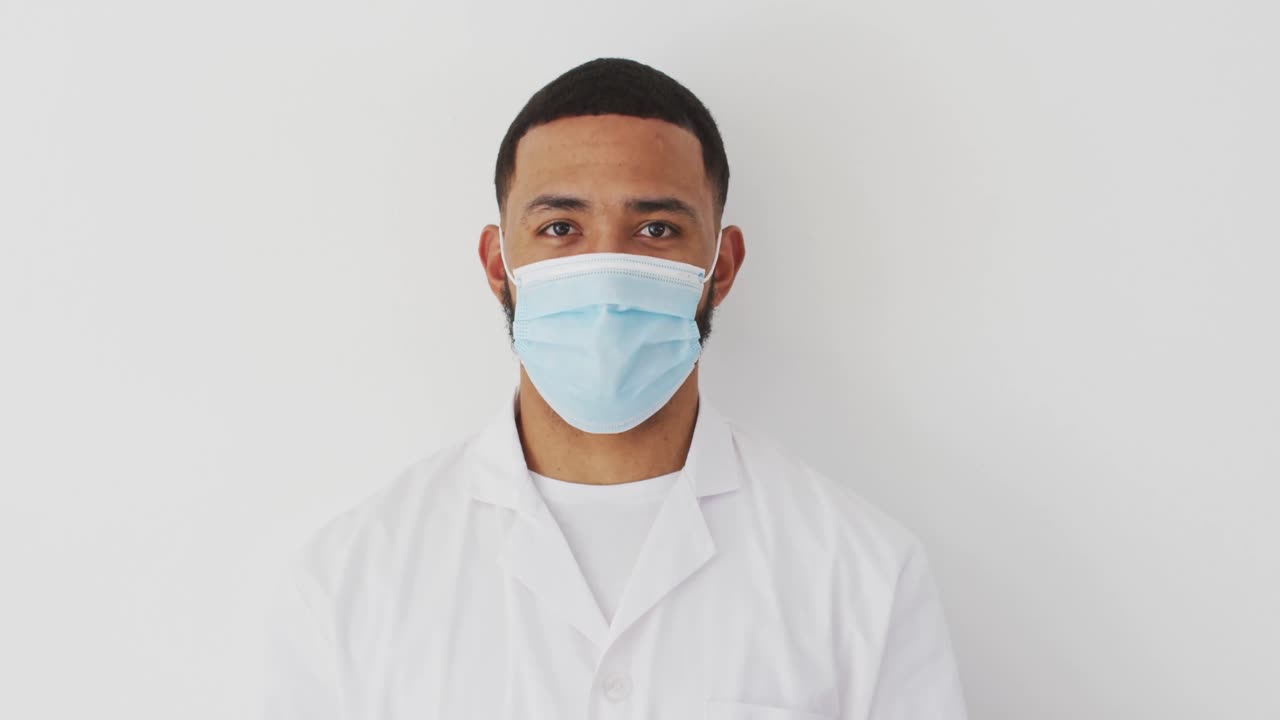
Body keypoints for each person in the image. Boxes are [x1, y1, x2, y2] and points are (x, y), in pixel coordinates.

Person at [262, 57, 968, 720]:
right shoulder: (351, 582)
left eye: (656, 228)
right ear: (499, 264)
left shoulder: (861, 575)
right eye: (560, 227)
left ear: (721, 266)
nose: (605, 270)